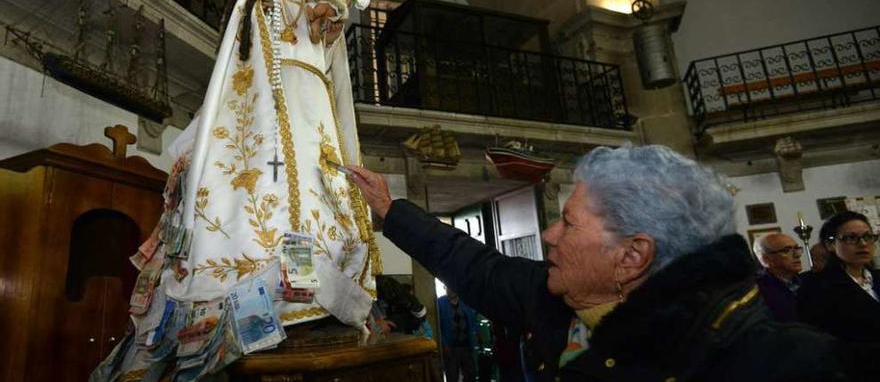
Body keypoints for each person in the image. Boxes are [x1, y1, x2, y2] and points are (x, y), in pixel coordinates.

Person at [93, 0, 380, 379]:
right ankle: (262, 287)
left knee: (318, 178)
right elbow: (247, 41)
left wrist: (328, 9)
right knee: (268, 179)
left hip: (309, 94)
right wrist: (272, 7)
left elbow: (320, 42)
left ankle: (322, 286)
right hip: (273, 87)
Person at [347, 145, 866, 381]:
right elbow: (479, 267)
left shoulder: (784, 365)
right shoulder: (560, 299)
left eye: (569, 223)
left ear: (632, 256)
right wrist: (392, 210)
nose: (549, 234)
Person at [798, 211, 880, 343]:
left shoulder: (876, 277)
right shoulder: (816, 286)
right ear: (830, 244)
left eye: (868, 237)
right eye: (851, 238)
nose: (863, 244)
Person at [752, 232, 804, 321]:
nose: (797, 255)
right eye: (786, 250)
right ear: (767, 259)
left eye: (796, 248)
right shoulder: (758, 291)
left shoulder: (807, 281)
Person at [438, 287, 479, 382]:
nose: (450, 289)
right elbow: (438, 326)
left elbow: (473, 320)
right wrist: (444, 344)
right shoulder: (440, 303)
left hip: (466, 346)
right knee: (452, 376)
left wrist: (476, 334)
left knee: (471, 374)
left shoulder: (465, 302)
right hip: (451, 348)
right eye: (448, 287)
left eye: (452, 287)